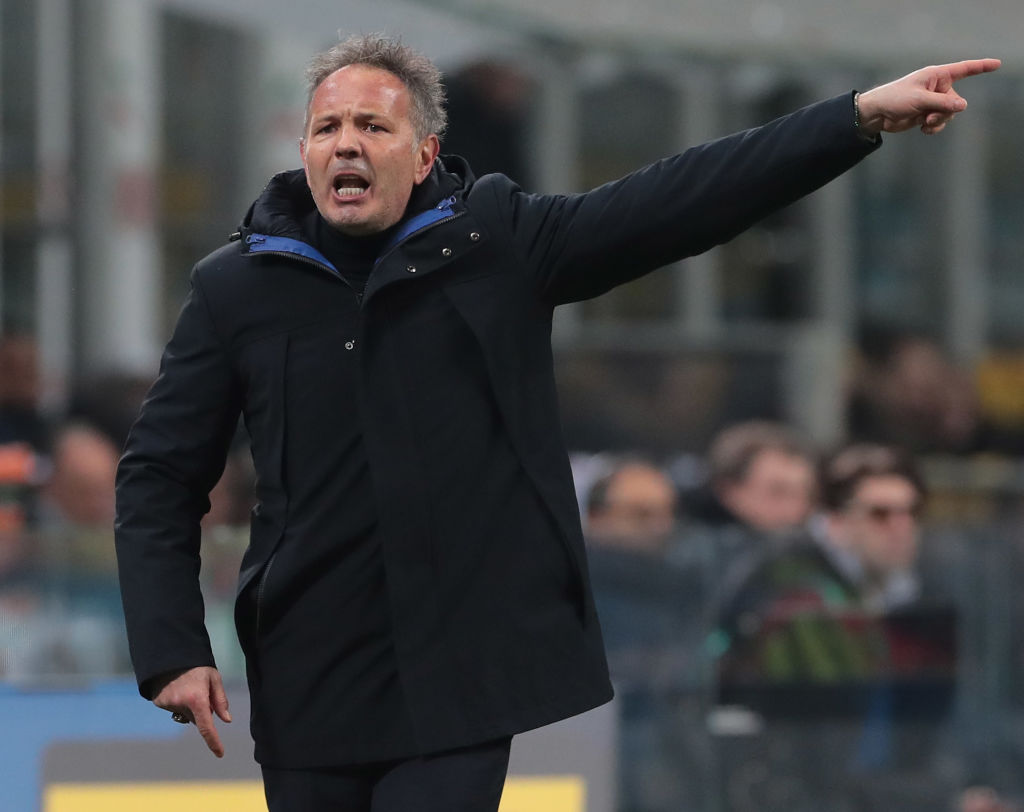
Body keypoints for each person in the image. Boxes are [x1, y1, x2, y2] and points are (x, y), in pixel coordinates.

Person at [112, 31, 1000, 811]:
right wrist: (171, 648)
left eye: (372, 127)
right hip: (310, 667)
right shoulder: (236, 288)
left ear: (423, 155)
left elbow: (680, 199)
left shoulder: (497, 243)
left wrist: (851, 119)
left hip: (459, 669)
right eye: (328, 129)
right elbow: (159, 472)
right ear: (304, 151)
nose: (348, 143)